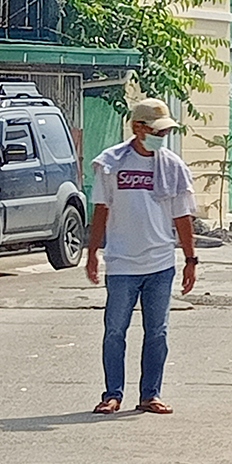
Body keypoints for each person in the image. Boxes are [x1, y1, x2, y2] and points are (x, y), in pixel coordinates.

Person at [86, 98, 198, 415]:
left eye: (164, 132)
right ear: (138, 128)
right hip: (121, 262)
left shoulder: (173, 167)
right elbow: (101, 210)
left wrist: (190, 259)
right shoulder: (111, 164)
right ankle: (112, 394)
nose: (161, 137)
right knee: (114, 331)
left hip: (160, 264)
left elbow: (182, 217)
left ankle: (150, 394)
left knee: (157, 333)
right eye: (156, 130)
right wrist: (92, 252)